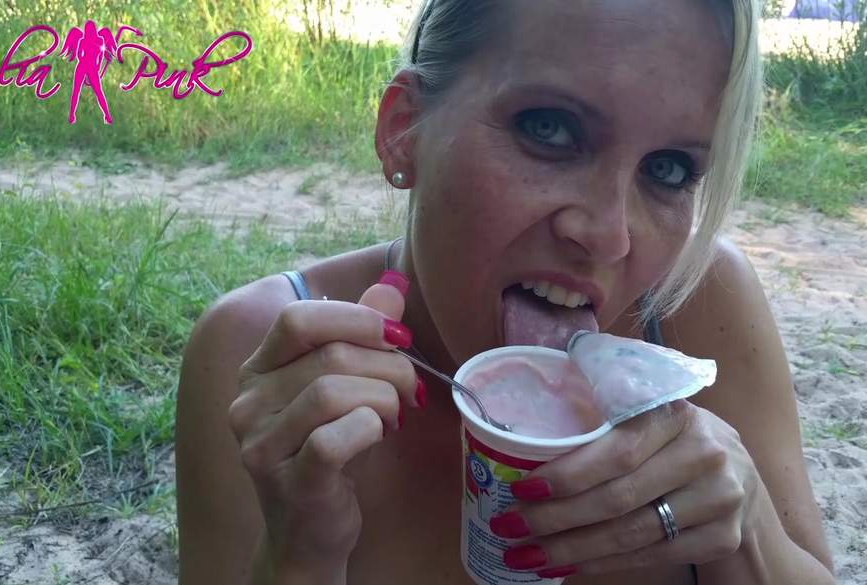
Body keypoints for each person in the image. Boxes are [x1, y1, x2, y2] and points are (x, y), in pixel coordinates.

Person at [175, 1, 836, 583]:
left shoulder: (698, 306)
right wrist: (299, 555)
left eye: (668, 169)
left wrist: (749, 531)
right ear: (404, 130)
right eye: (549, 128)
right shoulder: (261, 359)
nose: (609, 235)